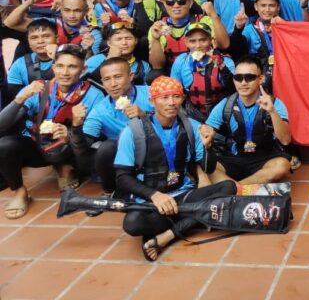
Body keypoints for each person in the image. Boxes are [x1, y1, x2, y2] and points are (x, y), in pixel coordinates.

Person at [113, 76, 236, 261]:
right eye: (164, 97)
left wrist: (208, 147)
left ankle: (167, 236)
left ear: (183, 99)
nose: (171, 102)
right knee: (132, 224)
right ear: (152, 101)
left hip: (182, 194)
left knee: (228, 187)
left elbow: (208, 168)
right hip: (152, 201)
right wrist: (154, 195)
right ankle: (195, 218)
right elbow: (122, 177)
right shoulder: (133, 131)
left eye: (176, 96)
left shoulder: (192, 126)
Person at [0, 44, 105, 219]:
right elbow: (2, 125)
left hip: (70, 150)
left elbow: (89, 140)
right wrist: (20, 98)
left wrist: (70, 134)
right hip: (38, 146)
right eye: (60, 66)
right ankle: (19, 191)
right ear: (53, 67)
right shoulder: (38, 88)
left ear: (83, 69)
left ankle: (65, 166)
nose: (65, 72)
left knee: (86, 147)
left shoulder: (94, 95)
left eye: (72, 66)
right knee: (4, 145)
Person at [202, 55, 291, 185]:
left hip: (264, 160)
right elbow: (207, 131)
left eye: (249, 77)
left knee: (282, 166)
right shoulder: (226, 105)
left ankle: (234, 188)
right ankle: (244, 188)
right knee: (206, 167)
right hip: (234, 158)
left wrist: (272, 112)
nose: (243, 83)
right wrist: (206, 135)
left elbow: (285, 140)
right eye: (238, 78)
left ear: (261, 79)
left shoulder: (275, 103)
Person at [70, 57, 152, 195]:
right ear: (102, 82)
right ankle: (111, 191)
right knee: (105, 148)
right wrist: (76, 126)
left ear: (131, 76)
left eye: (118, 77)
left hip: (155, 149)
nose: (113, 84)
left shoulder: (151, 93)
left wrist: (145, 116)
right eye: (107, 79)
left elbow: (175, 123)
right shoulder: (100, 110)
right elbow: (82, 149)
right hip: (126, 156)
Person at [148, 0, 229, 72]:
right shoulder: (158, 27)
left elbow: (224, 45)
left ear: (190, 3)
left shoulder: (204, 21)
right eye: (170, 2)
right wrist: (156, 39)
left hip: (203, 69)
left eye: (181, 1)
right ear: (164, 4)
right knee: (154, 74)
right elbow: (157, 66)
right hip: (172, 72)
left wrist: (213, 15)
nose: (176, 5)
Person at [4, 0, 102, 55]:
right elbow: (10, 23)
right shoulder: (49, 24)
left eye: (77, 10)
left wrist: (88, 50)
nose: (72, 15)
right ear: (60, 9)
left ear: (86, 11)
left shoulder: (92, 34)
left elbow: (92, 65)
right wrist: (29, 1)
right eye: (67, 10)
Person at [170, 23, 235, 121]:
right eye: (192, 41)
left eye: (203, 40)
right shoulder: (181, 61)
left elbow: (234, 89)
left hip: (222, 112)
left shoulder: (225, 61)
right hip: (193, 113)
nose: (198, 46)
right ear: (186, 43)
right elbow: (174, 91)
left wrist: (221, 66)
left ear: (211, 41)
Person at [84, 23, 151, 85]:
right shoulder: (96, 60)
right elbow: (86, 84)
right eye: (119, 39)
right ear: (109, 43)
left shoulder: (143, 66)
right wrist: (110, 59)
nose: (124, 43)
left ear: (136, 41)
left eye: (128, 38)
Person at [7, 19, 57, 99]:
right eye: (34, 38)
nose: (40, 41)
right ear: (28, 42)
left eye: (46, 36)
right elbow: (16, 98)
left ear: (57, 38)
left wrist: (58, 58)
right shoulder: (19, 64)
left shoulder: (71, 58)